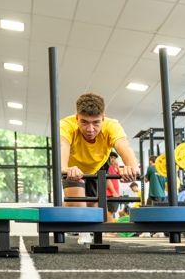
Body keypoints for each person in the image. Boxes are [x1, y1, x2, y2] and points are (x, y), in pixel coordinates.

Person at [60, 93, 140, 245]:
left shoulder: (111, 126)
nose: (90, 129)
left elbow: (124, 145)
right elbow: (62, 145)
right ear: (77, 117)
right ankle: (82, 229)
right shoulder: (66, 125)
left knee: (93, 206)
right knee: (78, 203)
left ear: (103, 118)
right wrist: (65, 168)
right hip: (73, 167)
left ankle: (87, 224)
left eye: (96, 123)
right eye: (84, 122)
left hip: (98, 165)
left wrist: (132, 167)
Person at [142, 155, 167, 238]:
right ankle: (160, 231)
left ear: (150, 161)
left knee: (147, 212)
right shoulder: (164, 170)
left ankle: (147, 232)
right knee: (160, 213)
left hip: (153, 194)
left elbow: (145, 180)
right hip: (163, 195)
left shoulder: (151, 168)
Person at [106, 151, 120, 222]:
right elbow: (108, 180)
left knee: (112, 211)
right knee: (111, 211)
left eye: (114, 158)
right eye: (111, 157)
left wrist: (118, 168)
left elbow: (120, 176)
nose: (113, 159)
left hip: (115, 193)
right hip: (111, 193)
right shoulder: (108, 167)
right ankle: (110, 231)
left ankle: (110, 231)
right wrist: (113, 192)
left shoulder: (113, 167)